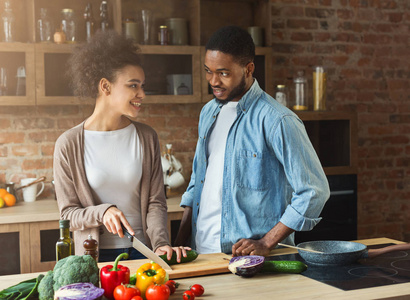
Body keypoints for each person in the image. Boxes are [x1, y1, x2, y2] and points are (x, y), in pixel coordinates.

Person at [174, 26, 330, 257]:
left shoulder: (278, 120)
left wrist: (267, 242)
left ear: (248, 69)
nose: (213, 81)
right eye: (208, 71)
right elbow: (197, 183)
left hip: (253, 260)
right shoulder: (208, 113)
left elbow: (314, 191)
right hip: (202, 255)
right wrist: (178, 242)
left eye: (223, 73)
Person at [54, 30, 188, 262]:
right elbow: (68, 215)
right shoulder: (68, 144)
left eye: (142, 85)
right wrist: (103, 211)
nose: (142, 94)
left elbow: (156, 202)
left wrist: (160, 244)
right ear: (105, 86)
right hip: (93, 257)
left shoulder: (146, 137)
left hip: (143, 252)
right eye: (133, 85)